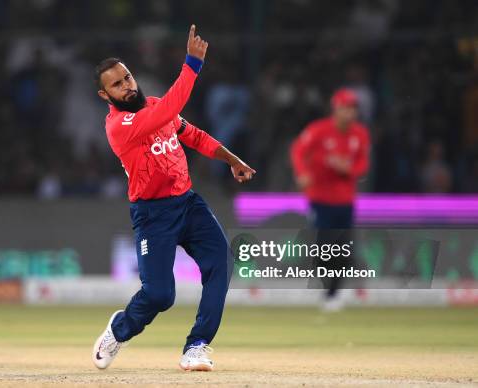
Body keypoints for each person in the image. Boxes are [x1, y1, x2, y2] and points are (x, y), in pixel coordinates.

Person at [92, 25, 255, 371]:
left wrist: (232, 160)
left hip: (188, 204)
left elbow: (191, 135)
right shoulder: (119, 127)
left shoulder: (153, 106)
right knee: (160, 296)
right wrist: (191, 66)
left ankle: (196, 346)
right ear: (105, 96)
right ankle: (118, 331)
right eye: (117, 84)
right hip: (153, 215)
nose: (127, 85)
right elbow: (167, 112)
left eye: (128, 77)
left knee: (221, 265)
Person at [290, 88, 370, 311]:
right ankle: (327, 289)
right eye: (346, 108)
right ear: (336, 109)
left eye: (353, 109)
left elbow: (363, 165)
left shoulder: (360, 134)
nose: (350, 113)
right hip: (319, 199)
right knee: (322, 247)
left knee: (344, 249)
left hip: (345, 201)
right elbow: (298, 150)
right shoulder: (319, 130)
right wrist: (302, 173)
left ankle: (333, 294)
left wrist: (349, 169)